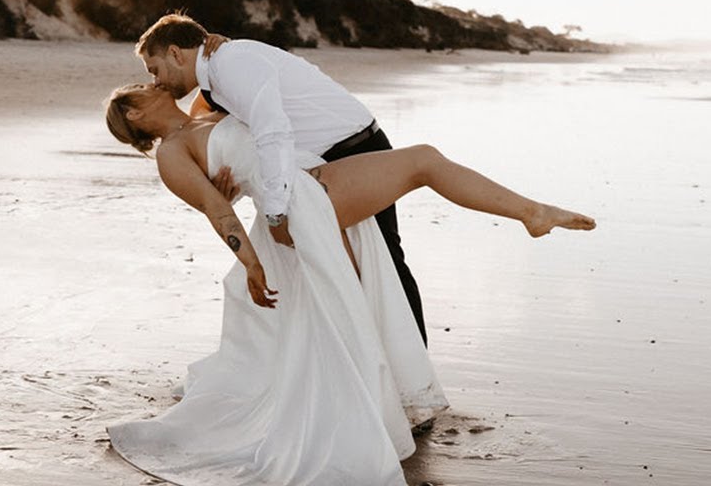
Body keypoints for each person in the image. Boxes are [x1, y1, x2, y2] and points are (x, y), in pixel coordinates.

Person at [103, 83, 594, 486]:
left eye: (149, 76)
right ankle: (531, 214)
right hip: (300, 202)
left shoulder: (204, 108)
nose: (151, 83)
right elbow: (218, 210)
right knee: (420, 162)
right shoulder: (170, 154)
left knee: (354, 302)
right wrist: (252, 264)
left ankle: (379, 402)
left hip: (315, 182)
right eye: (140, 90)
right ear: (136, 117)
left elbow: (241, 77)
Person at [134, 14, 434, 349]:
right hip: (312, 170)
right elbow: (220, 148)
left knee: (385, 257)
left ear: (176, 54)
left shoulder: (228, 67)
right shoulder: (211, 88)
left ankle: (411, 357)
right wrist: (225, 188)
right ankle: (363, 358)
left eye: (154, 69)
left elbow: (269, 131)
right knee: (338, 267)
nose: (156, 82)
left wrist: (275, 213)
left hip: (354, 145)